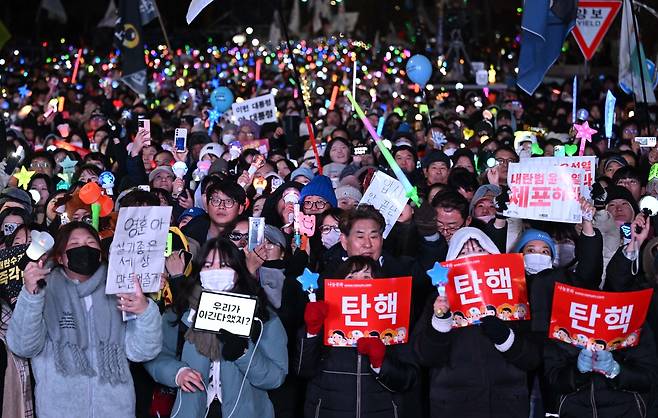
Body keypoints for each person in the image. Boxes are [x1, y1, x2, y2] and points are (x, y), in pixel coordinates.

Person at [6, 222, 163, 418]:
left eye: (91, 243)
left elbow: (142, 352)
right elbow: (23, 346)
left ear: (99, 253)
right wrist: (31, 294)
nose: (84, 248)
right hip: (58, 411)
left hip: (116, 411)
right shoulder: (43, 290)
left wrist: (144, 310)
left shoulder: (120, 289)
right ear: (61, 257)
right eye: (74, 245)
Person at [144, 237, 288, 418]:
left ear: (238, 271)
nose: (215, 271)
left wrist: (243, 354)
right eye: (208, 265)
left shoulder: (262, 315)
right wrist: (176, 372)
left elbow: (276, 377)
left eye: (224, 265)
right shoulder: (181, 312)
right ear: (199, 271)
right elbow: (154, 355)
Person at [413, 227, 541, 418]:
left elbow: (533, 359)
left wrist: (506, 338)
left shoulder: (516, 296)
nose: (472, 256)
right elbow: (425, 358)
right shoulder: (438, 300)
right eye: (463, 252)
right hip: (453, 406)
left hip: (507, 404)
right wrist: (440, 320)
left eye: (480, 250)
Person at [295, 255, 420, 418]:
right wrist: (312, 330)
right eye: (351, 277)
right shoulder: (325, 316)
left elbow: (408, 380)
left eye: (367, 277)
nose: (359, 282)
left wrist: (380, 364)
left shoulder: (393, 322)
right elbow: (303, 370)